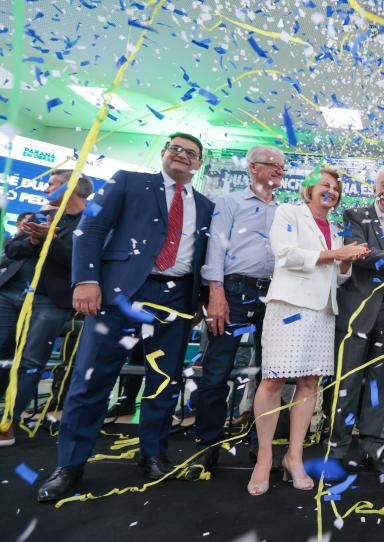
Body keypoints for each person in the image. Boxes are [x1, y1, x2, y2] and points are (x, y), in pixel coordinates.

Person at [36, 133, 215, 502]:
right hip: (120, 293)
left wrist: (200, 300)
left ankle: (153, 456)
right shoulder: (128, 181)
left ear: (198, 165)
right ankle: (69, 465)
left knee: (163, 383)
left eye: (190, 153)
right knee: (91, 380)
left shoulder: (207, 205)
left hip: (177, 299)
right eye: (175, 148)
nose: (181, 155)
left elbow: (205, 256)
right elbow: (92, 228)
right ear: (164, 154)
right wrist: (86, 280)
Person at [246, 168, 368, 496]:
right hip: (289, 307)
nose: (331, 190)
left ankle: (294, 456)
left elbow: (336, 275)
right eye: (325, 185)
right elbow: (286, 255)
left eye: (336, 188)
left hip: (322, 311)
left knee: (310, 382)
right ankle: (264, 456)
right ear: (309, 189)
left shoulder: (336, 227)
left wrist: (346, 261)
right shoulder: (289, 212)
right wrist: (336, 255)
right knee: (273, 380)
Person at [183, 146, 283, 480]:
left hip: (274, 295)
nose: (280, 172)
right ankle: (206, 445)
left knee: (271, 375)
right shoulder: (229, 203)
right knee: (216, 370)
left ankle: (261, 445)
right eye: (273, 166)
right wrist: (216, 294)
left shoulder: (285, 211)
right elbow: (215, 250)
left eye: (283, 167)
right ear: (253, 168)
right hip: (233, 292)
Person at [327, 168, 384, 475]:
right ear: (375, 188)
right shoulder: (356, 216)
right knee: (349, 381)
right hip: (359, 310)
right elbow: (359, 254)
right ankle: (337, 449)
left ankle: (372, 447)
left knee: (380, 386)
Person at [0, 170, 92, 446]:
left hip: (50, 301)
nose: (44, 190)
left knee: (30, 361)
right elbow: (12, 249)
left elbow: (79, 261)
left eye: (51, 184)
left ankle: (7, 423)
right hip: (10, 291)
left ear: (71, 187)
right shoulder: (43, 213)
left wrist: (49, 239)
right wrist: (31, 240)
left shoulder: (93, 221)